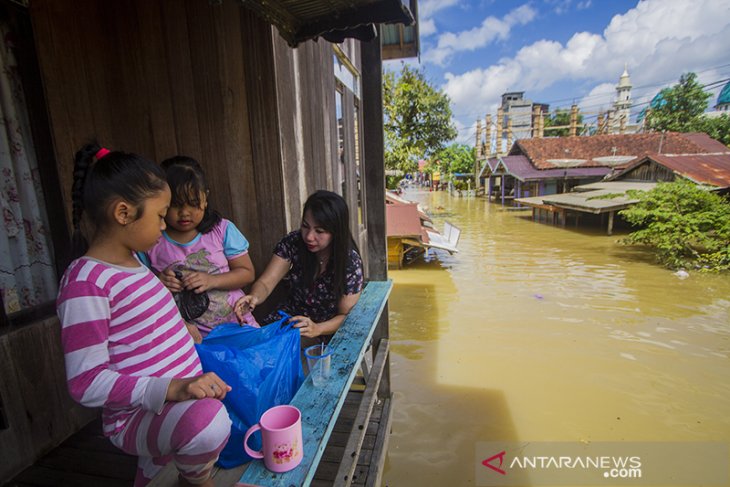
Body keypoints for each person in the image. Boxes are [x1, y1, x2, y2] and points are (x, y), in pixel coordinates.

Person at [57, 143, 232, 487]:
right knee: (210, 424)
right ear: (123, 213)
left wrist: (183, 328)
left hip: (172, 402)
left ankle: (156, 472)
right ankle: (198, 481)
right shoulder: (86, 282)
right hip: (136, 417)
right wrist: (170, 387)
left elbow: (143, 323)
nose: (165, 223)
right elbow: (85, 382)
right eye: (159, 214)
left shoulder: (135, 264)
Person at [140, 156, 258, 343]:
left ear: (205, 198)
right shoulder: (151, 241)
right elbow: (139, 286)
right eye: (176, 205)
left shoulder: (221, 230)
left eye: (193, 203)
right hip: (192, 339)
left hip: (237, 326)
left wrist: (212, 280)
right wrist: (159, 282)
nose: (185, 212)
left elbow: (247, 273)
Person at [234, 190, 364, 346]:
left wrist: (317, 328)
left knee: (279, 353)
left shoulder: (349, 262)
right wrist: (254, 296)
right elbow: (266, 283)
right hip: (290, 319)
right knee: (254, 345)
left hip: (327, 329)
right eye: (305, 226)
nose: (309, 236)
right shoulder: (293, 242)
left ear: (336, 232)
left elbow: (345, 316)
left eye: (319, 231)